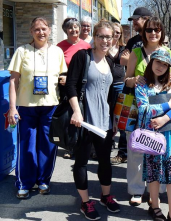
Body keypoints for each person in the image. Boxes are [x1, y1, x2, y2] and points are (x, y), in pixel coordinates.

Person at [65, 20, 120, 220]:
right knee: (81, 162)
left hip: (104, 122)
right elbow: (70, 85)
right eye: (101, 36)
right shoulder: (83, 56)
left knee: (105, 161)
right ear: (94, 37)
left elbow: (109, 94)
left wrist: (114, 118)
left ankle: (106, 197)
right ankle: (85, 202)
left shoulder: (110, 61)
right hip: (85, 121)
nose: (105, 40)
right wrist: (76, 112)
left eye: (109, 36)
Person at [8, 17, 67, 199]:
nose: (41, 32)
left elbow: (63, 73)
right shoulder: (21, 51)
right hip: (27, 106)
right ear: (31, 31)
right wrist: (12, 108)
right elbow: (13, 81)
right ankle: (24, 183)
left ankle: (43, 180)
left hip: (50, 106)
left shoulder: (57, 52)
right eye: (37, 29)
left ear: (49, 30)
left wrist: (64, 78)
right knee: (27, 146)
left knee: (48, 146)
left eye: (44, 29)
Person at [125, 16, 171, 207]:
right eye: (149, 30)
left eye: (157, 30)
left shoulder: (168, 53)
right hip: (138, 109)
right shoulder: (136, 52)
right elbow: (127, 79)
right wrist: (135, 79)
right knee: (137, 149)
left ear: (162, 32)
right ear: (143, 32)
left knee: (159, 150)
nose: (153, 33)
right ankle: (136, 190)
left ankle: (156, 191)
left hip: (163, 112)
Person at [136, 49, 171, 221]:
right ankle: (155, 207)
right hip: (151, 135)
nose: (161, 67)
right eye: (158, 62)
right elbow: (144, 110)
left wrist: (165, 118)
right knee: (154, 171)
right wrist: (167, 105)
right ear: (151, 62)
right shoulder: (142, 85)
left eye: (165, 65)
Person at [57, 17, 91, 159]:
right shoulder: (59, 47)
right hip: (67, 86)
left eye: (76, 27)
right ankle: (70, 146)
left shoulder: (86, 46)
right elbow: (55, 67)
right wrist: (61, 77)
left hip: (83, 86)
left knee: (84, 114)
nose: (74, 30)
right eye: (70, 28)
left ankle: (86, 145)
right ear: (65, 30)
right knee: (69, 116)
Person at [109, 22, 128, 164]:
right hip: (105, 87)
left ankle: (122, 152)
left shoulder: (124, 49)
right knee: (107, 118)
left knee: (121, 120)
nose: (116, 34)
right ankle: (105, 148)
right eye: (114, 31)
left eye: (118, 32)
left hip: (120, 86)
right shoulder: (103, 47)